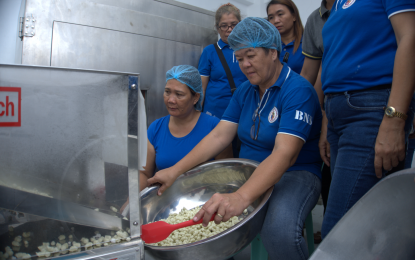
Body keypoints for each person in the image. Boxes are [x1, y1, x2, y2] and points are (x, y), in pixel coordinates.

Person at [148, 17, 323, 259]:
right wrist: (175, 170)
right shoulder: (245, 90)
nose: (245, 65)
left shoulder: (297, 91)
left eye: (251, 56)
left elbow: (286, 154)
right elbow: (220, 135)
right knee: (201, 213)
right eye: (239, 58)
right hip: (248, 170)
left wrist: (241, 197)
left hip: (295, 174)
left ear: (273, 52)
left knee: (278, 232)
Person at [320, 0, 415, 238]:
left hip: (371, 110)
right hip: (338, 113)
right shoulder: (339, 3)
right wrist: (326, 122)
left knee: (339, 232)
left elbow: (410, 37)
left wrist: (395, 120)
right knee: (370, 230)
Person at [120, 65, 231, 212]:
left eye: (179, 94)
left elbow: (226, 174)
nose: (171, 100)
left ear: (195, 97)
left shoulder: (214, 128)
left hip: (204, 205)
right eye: (167, 92)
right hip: (166, 206)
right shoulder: (156, 128)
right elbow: (145, 173)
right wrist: (131, 200)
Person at [198, 3, 247, 119]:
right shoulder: (209, 52)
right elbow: (201, 88)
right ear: (217, 28)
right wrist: (197, 115)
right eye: (224, 26)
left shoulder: (248, 51)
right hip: (214, 114)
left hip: (243, 113)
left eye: (234, 25)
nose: (229, 30)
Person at [266, 0, 305, 74]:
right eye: (271, 17)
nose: (276, 21)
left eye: (280, 14)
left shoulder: (308, 43)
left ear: (294, 16)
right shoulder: (268, 47)